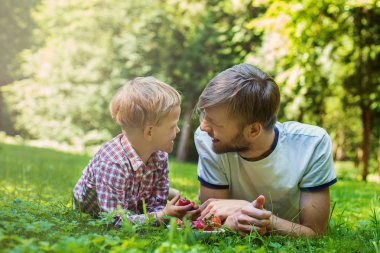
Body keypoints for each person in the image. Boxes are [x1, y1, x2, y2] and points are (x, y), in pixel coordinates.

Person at [194, 63, 337, 237]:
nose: (203, 127)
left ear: (253, 130)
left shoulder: (312, 144)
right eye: (204, 115)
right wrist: (230, 222)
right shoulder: (208, 139)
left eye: (215, 123)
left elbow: (315, 233)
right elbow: (211, 221)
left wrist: (260, 217)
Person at [73, 77, 199, 225]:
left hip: (133, 198)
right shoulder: (113, 163)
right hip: (98, 209)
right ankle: (170, 192)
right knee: (126, 206)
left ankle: (171, 193)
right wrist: (162, 216)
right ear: (149, 132)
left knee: (146, 201)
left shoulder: (159, 155)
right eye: (172, 126)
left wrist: (166, 216)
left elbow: (155, 204)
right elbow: (114, 221)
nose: (177, 130)